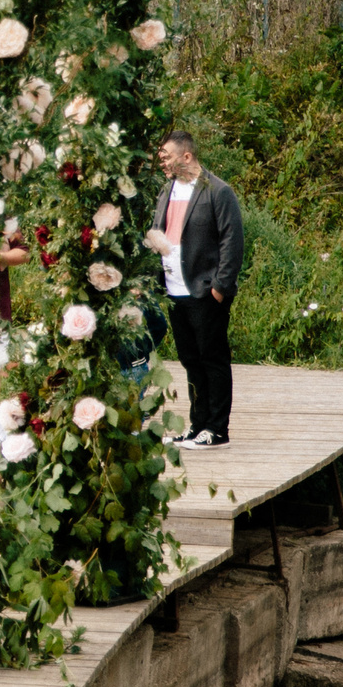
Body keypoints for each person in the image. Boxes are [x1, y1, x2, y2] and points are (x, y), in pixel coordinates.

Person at [148, 131, 243, 450]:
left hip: (205, 291)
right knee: (190, 359)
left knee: (212, 358)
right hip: (174, 291)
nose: (162, 162)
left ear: (186, 157)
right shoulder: (167, 189)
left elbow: (232, 240)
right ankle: (197, 425)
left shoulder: (218, 191)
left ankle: (217, 429)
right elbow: (158, 232)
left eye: (166, 157)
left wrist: (221, 286)